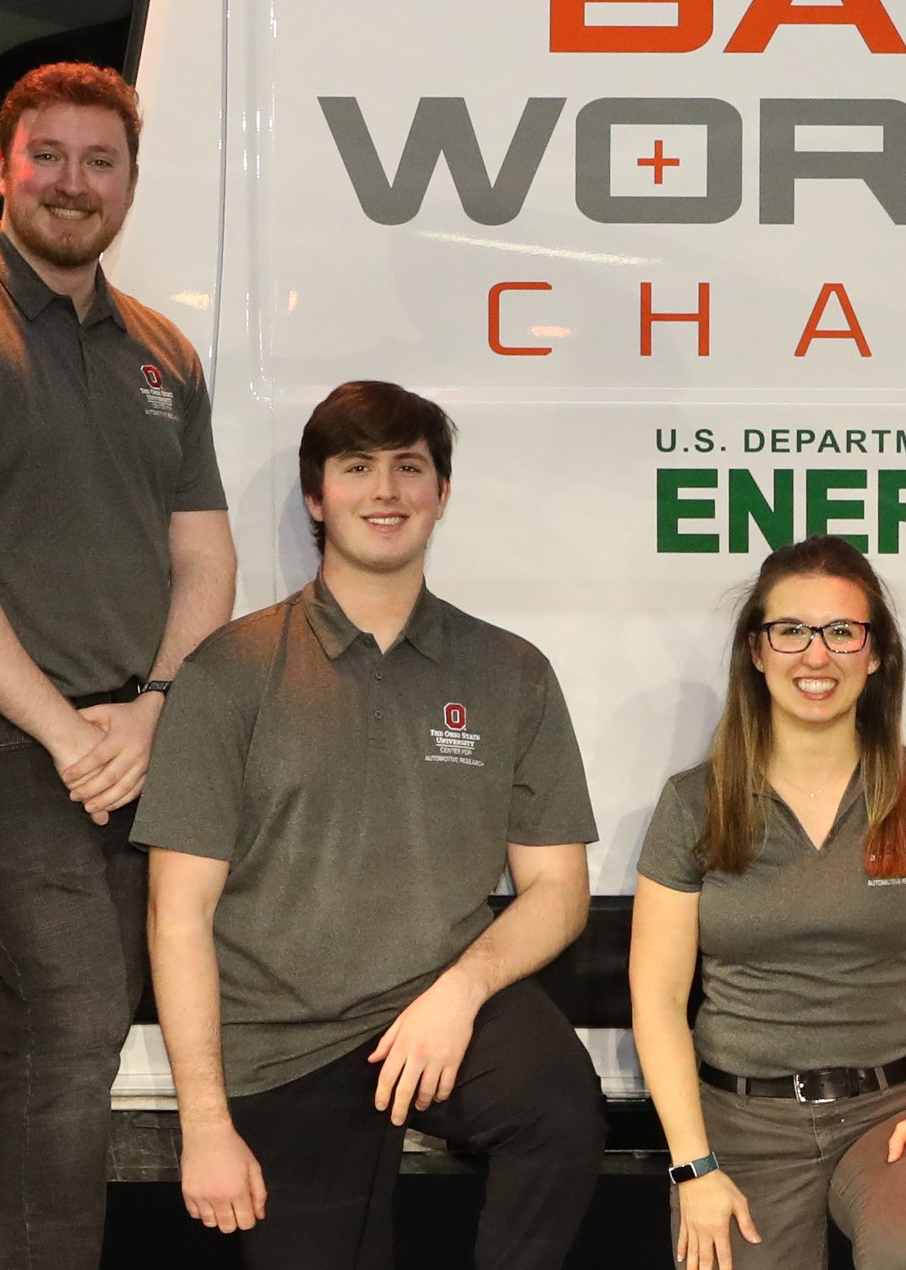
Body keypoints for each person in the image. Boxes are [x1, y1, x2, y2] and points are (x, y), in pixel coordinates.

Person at [0, 62, 238, 1270]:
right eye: (49, 156)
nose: (72, 184)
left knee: (33, 1028)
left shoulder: (160, 352)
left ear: (130, 181)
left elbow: (206, 557)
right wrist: (66, 731)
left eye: (100, 161)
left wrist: (151, 709)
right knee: (80, 1009)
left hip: (129, 734)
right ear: (1, 168)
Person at [132, 381, 605, 1270]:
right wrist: (205, 1124)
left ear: (441, 494)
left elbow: (558, 890)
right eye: (358, 468)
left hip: (438, 1003)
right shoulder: (229, 671)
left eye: (409, 468)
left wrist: (459, 993)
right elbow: (178, 916)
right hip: (283, 1046)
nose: (385, 491)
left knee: (560, 1107)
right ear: (318, 496)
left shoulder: (510, 671)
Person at [631, 535, 906, 1270]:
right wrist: (694, 1167)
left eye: (842, 631)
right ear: (756, 650)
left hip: (899, 1112)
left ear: (874, 654)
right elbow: (657, 996)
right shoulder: (693, 802)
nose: (816, 654)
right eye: (792, 630)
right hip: (741, 1123)